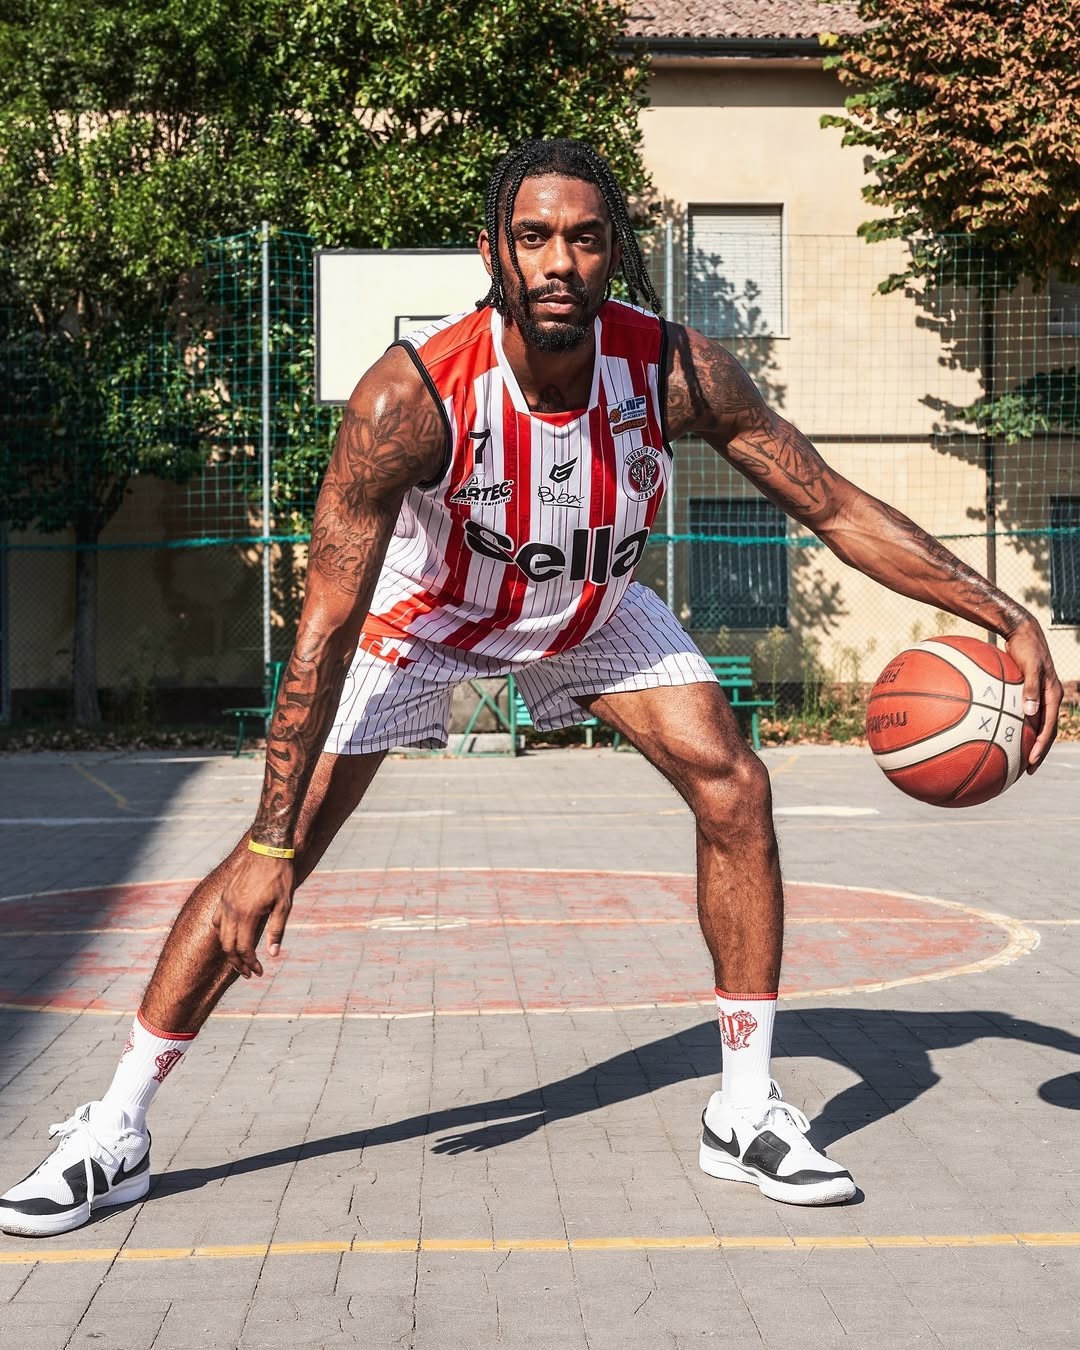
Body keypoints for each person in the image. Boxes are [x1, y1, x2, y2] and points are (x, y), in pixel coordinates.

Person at [1, 138, 1062, 1236]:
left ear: (615, 253)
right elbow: (322, 629)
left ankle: (744, 1110)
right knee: (273, 855)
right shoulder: (409, 399)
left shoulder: (674, 371)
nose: (561, 260)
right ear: (493, 253)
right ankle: (115, 1129)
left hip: (590, 612)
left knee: (736, 786)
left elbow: (831, 504)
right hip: (425, 617)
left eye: (586, 238)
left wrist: (1004, 613)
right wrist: (272, 843)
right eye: (535, 236)